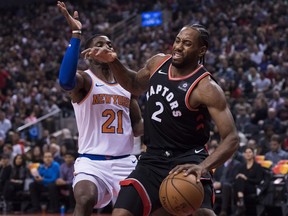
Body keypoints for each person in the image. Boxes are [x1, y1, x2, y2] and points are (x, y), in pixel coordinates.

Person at [84, 24, 239, 215]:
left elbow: (231, 137)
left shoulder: (206, 87)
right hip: (152, 159)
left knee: (202, 213)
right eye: (178, 40)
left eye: (187, 43)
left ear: (202, 50)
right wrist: (114, 62)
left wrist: (202, 167)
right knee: (121, 213)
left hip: (188, 158)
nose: (179, 47)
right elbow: (133, 84)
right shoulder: (157, 63)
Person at [57, 2, 143, 216]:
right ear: (90, 53)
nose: (107, 46)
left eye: (110, 44)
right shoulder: (85, 80)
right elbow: (65, 80)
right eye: (100, 43)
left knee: (131, 211)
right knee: (85, 198)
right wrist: (76, 34)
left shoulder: (127, 84)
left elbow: (138, 125)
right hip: (92, 162)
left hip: (125, 162)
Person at [233, 146, 265, 216]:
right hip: (243, 188)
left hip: (252, 187)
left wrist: (246, 178)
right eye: (246, 152)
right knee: (239, 178)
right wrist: (239, 177)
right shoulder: (242, 166)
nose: (248, 154)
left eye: (250, 152)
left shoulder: (257, 166)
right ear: (244, 154)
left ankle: (240, 201)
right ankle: (241, 199)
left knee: (240, 179)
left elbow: (258, 181)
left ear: (253, 154)